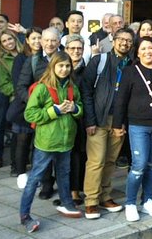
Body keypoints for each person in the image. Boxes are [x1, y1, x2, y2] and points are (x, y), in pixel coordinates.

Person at [112, 37, 152, 222]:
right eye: (144, 48)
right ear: (137, 52)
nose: (148, 51)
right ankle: (131, 202)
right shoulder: (130, 71)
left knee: (151, 164)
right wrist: (118, 125)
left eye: (151, 48)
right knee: (139, 165)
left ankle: (147, 199)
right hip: (138, 125)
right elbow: (120, 101)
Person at [19, 51, 84, 232]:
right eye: (60, 66)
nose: (64, 69)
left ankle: (66, 203)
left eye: (67, 66)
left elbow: (81, 108)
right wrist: (54, 111)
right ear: (53, 67)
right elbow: (29, 114)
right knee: (35, 179)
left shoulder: (72, 87)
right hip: (46, 143)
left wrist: (75, 108)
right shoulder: (42, 88)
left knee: (64, 173)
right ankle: (25, 215)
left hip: (66, 141)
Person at [81, 28, 134, 219]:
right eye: (121, 39)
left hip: (119, 120)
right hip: (99, 117)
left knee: (111, 160)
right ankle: (91, 200)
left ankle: (105, 195)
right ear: (114, 40)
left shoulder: (132, 65)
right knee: (96, 160)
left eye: (129, 41)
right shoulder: (100, 60)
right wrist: (90, 120)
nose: (124, 43)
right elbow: (86, 91)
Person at [15, 27, 62, 199]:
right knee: (43, 150)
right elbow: (21, 87)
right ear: (41, 41)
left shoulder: (65, 57)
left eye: (53, 40)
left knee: (63, 151)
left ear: (59, 41)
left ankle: (65, 186)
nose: (50, 44)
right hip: (43, 114)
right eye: (46, 40)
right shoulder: (33, 61)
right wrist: (34, 103)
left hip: (64, 112)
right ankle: (47, 183)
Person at [8, 27, 41, 188]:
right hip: (24, 106)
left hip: (41, 107)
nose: (37, 41)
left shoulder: (46, 57)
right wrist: (32, 101)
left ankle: (37, 173)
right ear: (27, 40)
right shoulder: (21, 59)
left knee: (38, 143)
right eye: (33, 38)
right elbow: (18, 85)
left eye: (39, 38)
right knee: (23, 141)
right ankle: (21, 172)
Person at [0, 30, 22, 173]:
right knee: (17, 132)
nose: (8, 43)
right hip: (16, 98)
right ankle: (15, 164)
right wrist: (18, 90)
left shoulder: (25, 52)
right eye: (4, 41)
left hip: (33, 96)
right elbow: (3, 85)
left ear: (14, 38)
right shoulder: (2, 61)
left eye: (9, 39)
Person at [64, 34, 87, 205]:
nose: (76, 51)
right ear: (66, 50)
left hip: (81, 118)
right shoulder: (61, 69)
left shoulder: (88, 70)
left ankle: (77, 190)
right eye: (72, 48)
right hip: (62, 119)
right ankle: (66, 189)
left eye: (79, 48)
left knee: (80, 155)